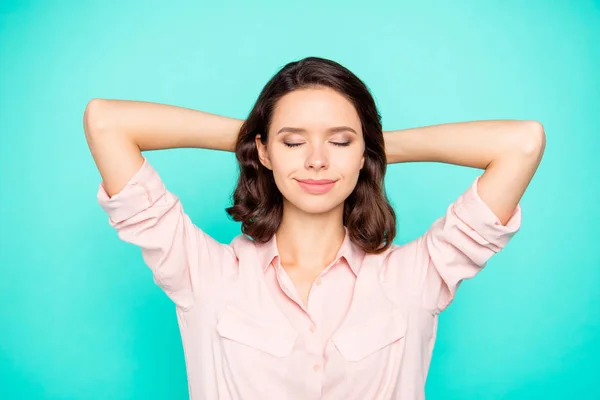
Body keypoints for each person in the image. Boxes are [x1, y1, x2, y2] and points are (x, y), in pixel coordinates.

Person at [84, 57, 545, 400]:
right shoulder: (206, 276)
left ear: (363, 152)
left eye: (340, 141)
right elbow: (106, 122)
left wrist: (373, 146)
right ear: (265, 152)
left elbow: (522, 144)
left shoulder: (413, 279)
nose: (317, 159)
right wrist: (256, 138)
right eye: (294, 141)